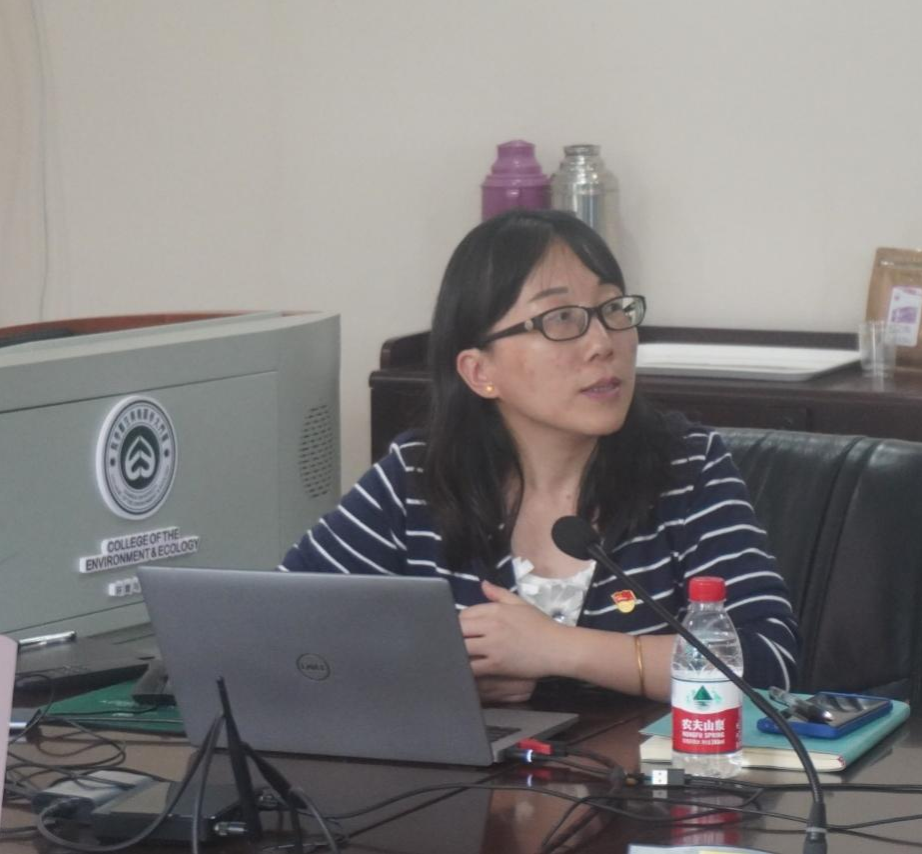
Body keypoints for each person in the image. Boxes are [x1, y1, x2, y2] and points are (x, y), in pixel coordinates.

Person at [281, 209, 799, 703]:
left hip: (648, 768)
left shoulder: (686, 468)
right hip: (476, 769)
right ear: (480, 371)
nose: (603, 343)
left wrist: (559, 650)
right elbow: (281, 636)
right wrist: (438, 677)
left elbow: (767, 664)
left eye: (613, 309)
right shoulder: (416, 479)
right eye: (561, 319)